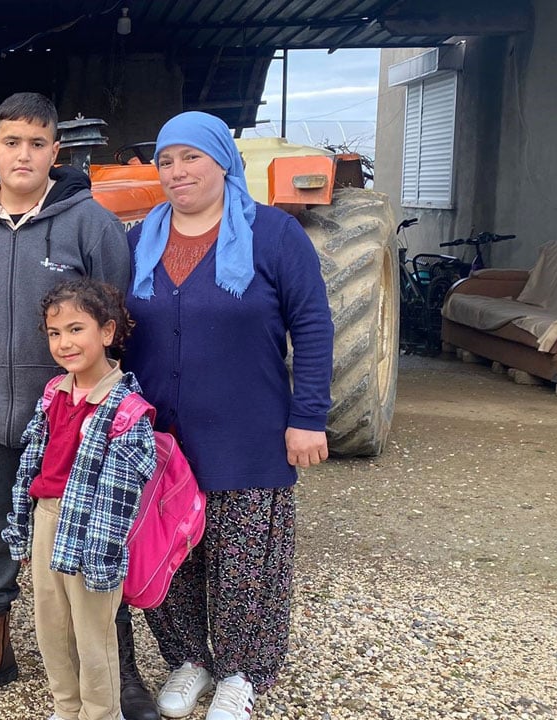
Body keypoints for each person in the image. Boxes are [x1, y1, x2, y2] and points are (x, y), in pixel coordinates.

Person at [123, 111, 334, 720]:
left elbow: (314, 326)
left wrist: (309, 416)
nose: (177, 172)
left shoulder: (272, 234)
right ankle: (189, 659)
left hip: (249, 432)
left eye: (191, 157)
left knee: (246, 561)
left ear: (223, 162)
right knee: (172, 553)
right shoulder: (142, 240)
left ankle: (241, 672)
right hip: (162, 436)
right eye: (166, 161)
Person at [0, 91, 131, 710]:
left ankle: (116, 665)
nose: (24, 155)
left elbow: (115, 317)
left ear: (56, 151)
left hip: (71, 422)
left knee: (89, 540)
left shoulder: (91, 222)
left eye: (38, 143)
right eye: (12, 143)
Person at [4, 279, 157, 720]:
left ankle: (100, 713)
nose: (64, 343)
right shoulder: (54, 393)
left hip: (93, 532)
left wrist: (102, 555)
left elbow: (121, 494)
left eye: (76, 329)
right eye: (55, 333)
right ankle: (66, 708)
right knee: (51, 628)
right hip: (48, 521)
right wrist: (23, 524)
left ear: (107, 332)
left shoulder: (127, 409)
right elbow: (32, 462)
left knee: (94, 638)